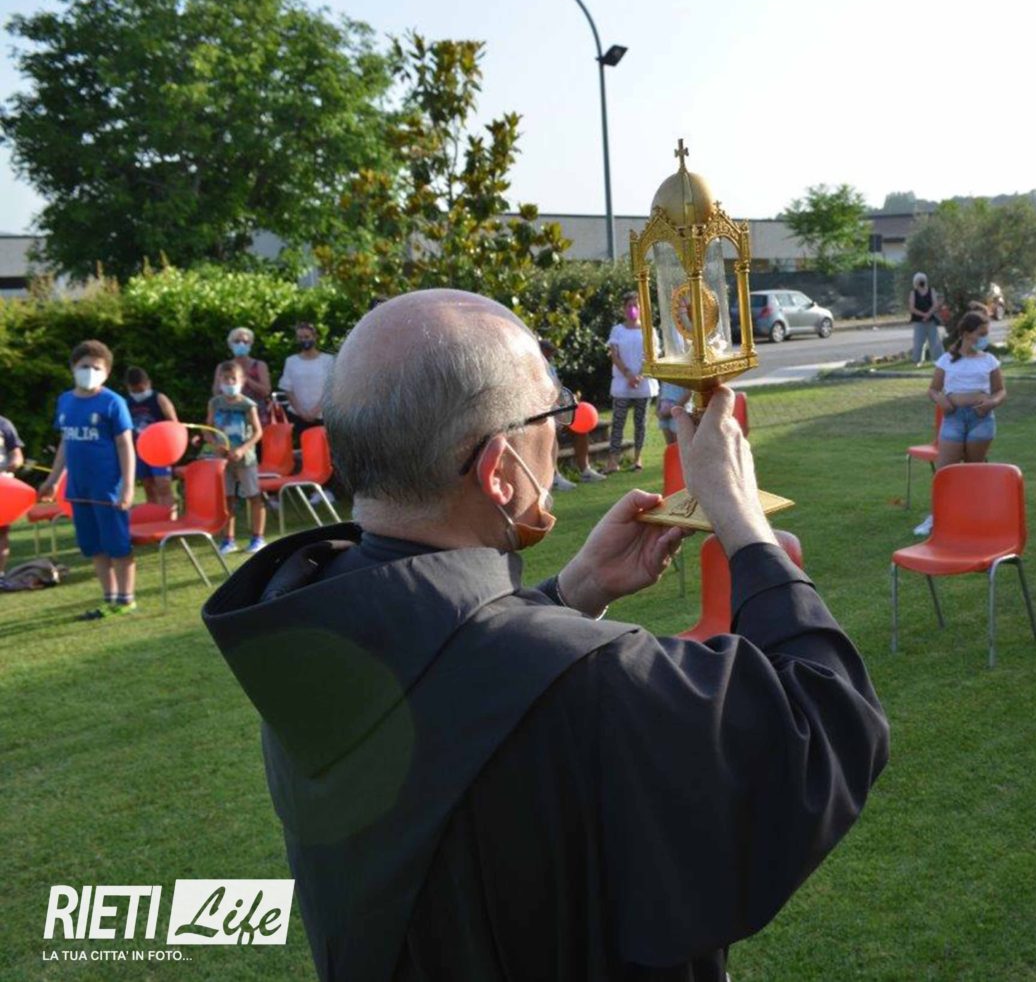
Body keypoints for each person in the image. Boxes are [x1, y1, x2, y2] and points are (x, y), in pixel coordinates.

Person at [201, 289, 889, 981]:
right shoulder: (590, 684)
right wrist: (743, 522)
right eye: (553, 413)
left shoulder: (310, 630)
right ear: (500, 471)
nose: (560, 435)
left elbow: (447, 685)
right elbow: (826, 724)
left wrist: (570, 593)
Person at [38, 340, 137, 619]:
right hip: (79, 489)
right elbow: (66, 443)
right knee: (94, 546)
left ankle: (126, 598)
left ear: (106, 372)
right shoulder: (65, 401)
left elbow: (125, 446)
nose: (89, 372)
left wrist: (128, 487)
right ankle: (109, 598)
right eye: (84, 366)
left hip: (109, 489)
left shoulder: (113, 402)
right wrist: (53, 480)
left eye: (96, 367)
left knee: (118, 545)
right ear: (73, 368)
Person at [914, 311, 1006, 536]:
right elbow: (933, 389)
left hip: (981, 419)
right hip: (953, 418)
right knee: (945, 472)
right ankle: (936, 516)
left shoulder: (989, 360)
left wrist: (992, 403)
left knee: (973, 471)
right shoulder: (947, 360)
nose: (984, 338)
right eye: (981, 334)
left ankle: (972, 515)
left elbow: (1000, 391)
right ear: (966, 333)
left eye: (986, 334)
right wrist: (941, 400)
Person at [208, 361, 266, 554]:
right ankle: (228, 540)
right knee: (227, 499)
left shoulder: (247, 405)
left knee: (253, 496)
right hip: (223, 460)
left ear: (242, 380)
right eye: (226, 379)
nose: (230, 383)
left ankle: (258, 538)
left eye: (233, 379)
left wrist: (242, 449)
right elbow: (208, 429)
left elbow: (258, 432)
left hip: (245, 459)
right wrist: (215, 445)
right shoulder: (215, 403)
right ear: (220, 380)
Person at [537, 338, 605, 490]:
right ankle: (554, 477)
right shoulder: (532, 369)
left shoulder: (550, 368)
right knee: (551, 432)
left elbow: (558, 389)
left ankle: (585, 471)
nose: (550, 358)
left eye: (551, 356)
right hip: (543, 414)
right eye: (547, 355)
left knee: (580, 428)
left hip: (557, 411)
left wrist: (569, 400)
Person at [604, 294, 659, 473]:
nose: (632, 309)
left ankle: (637, 458)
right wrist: (628, 375)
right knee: (618, 422)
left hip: (643, 385)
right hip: (622, 384)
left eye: (636, 305)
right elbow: (614, 355)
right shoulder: (617, 330)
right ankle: (613, 460)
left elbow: (652, 355)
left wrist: (640, 376)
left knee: (640, 423)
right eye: (629, 305)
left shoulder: (649, 330)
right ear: (624, 309)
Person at [124, 367, 179, 508]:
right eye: (134, 390)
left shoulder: (159, 399)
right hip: (140, 449)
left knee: (163, 484)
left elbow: (174, 423)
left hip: (160, 449)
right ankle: (154, 516)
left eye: (141, 389)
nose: (138, 393)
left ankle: (169, 516)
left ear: (148, 383)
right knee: (148, 486)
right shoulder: (127, 403)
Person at [277, 321, 334, 453]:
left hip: (323, 415)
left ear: (315, 337)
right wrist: (301, 411)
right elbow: (288, 388)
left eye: (307, 337)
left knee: (325, 452)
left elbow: (331, 387)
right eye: (300, 337)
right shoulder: (291, 361)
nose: (304, 340)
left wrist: (316, 410)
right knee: (303, 453)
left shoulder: (328, 360)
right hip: (298, 416)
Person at [225, 326, 273, 421]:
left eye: (245, 342)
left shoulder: (259, 365)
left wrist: (246, 379)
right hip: (230, 414)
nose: (241, 344)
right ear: (230, 344)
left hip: (257, 415)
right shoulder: (223, 367)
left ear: (250, 344)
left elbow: (266, 391)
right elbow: (216, 392)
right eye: (237, 341)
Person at [0, 413, 22, 576]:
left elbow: (17, 455)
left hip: (2, 486)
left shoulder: (4, 424)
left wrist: (13, 465)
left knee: (1, 533)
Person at [909, 272, 941, 365]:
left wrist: (928, 314)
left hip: (931, 320)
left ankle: (938, 360)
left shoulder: (932, 290)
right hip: (918, 321)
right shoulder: (913, 293)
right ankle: (917, 360)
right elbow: (912, 308)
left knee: (935, 341)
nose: (921, 282)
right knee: (918, 341)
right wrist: (924, 315)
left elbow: (935, 304)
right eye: (919, 280)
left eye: (922, 280)